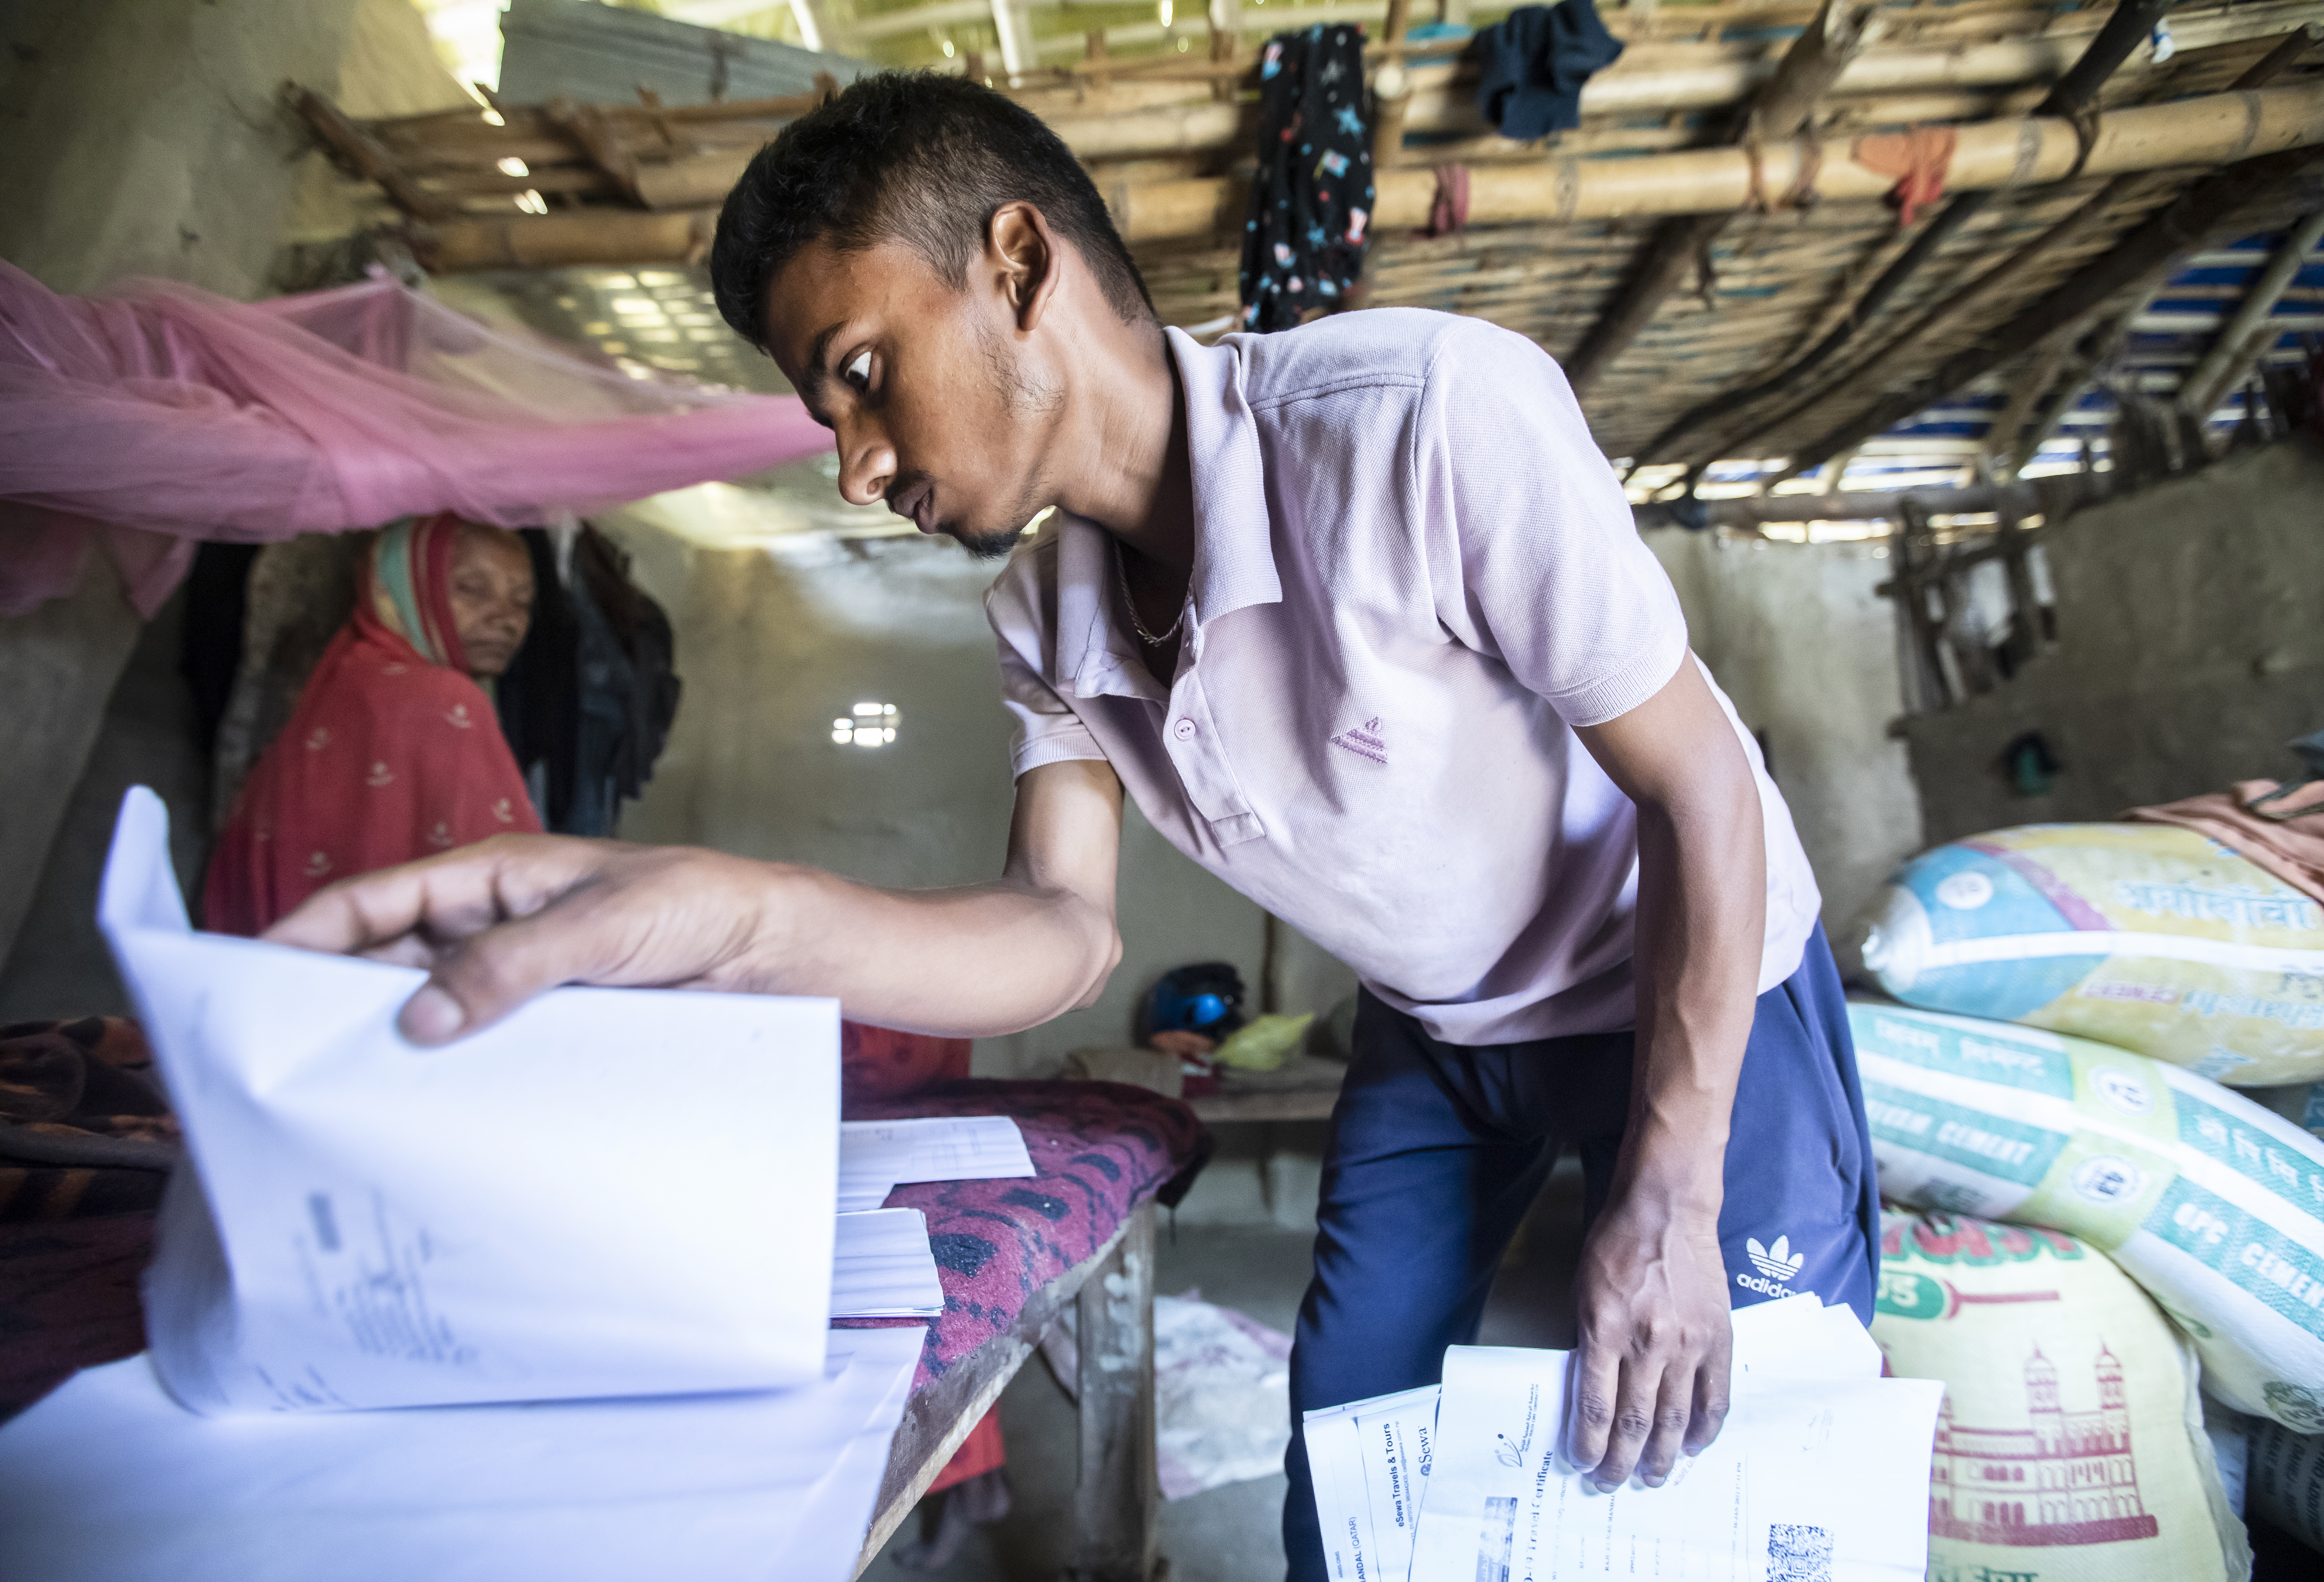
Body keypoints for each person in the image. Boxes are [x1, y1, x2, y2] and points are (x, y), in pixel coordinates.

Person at [267, 74, 1879, 1575]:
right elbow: (1060, 931)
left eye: (859, 374)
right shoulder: (1049, 614)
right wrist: (730, 914)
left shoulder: (1424, 422)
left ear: (1018, 264)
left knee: (1728, 1438)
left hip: (1688, 962)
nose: (854, 465)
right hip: (1441, 1023)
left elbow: (1701, 786)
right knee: (1360, 1434)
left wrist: (1664, 1198)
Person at [204, 512, 539, 936]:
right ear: (400, 587)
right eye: (473, 590)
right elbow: (517, 895)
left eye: (523, 602)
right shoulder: (448, 703)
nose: (506, 619)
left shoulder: (348, 675)